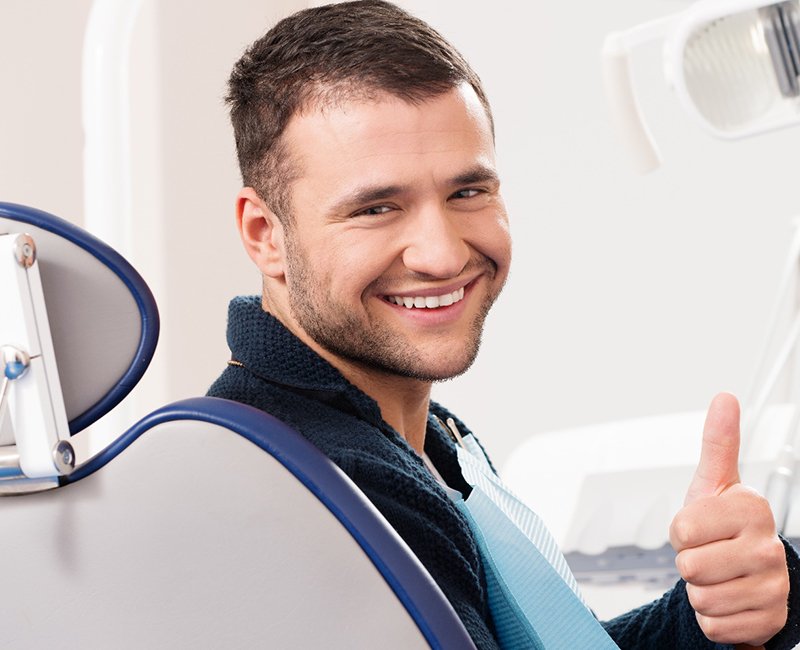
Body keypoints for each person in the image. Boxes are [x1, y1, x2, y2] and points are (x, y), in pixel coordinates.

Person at [207, 1, 800, 647]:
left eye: (467, 193)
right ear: (264, 234)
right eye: (376, 208)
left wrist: (718, 609)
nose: (442, 254)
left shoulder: (419, 439)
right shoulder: (301, 491)